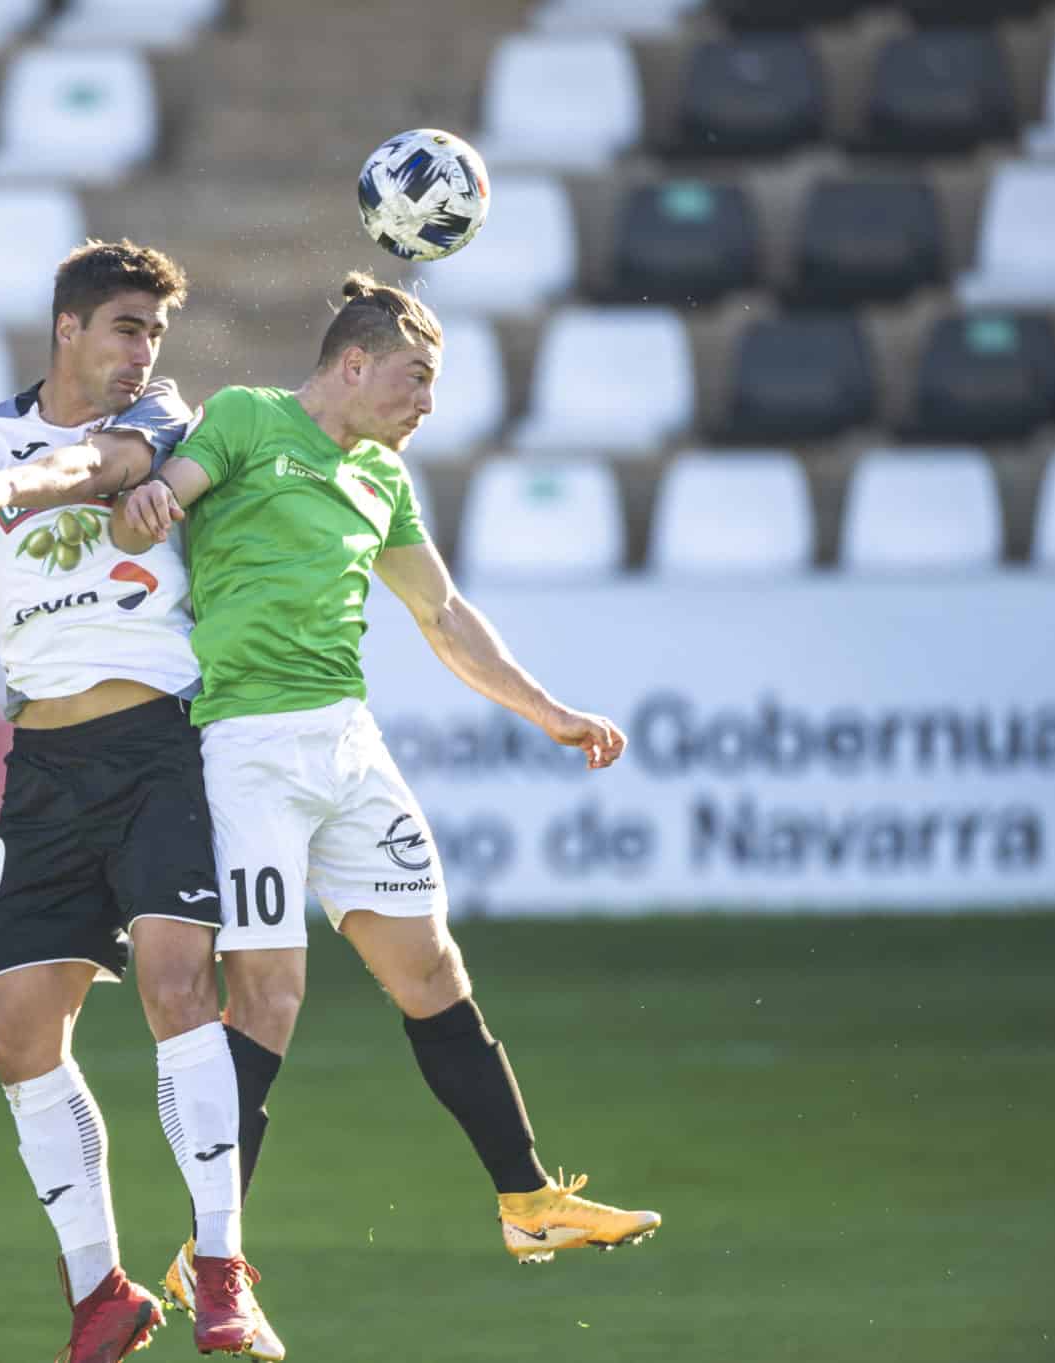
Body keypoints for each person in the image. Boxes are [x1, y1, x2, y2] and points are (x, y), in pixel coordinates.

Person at [106, 272, 665, 1268]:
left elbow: (442, 613)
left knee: (432, 970)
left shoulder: (383, 479)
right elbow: (167, 493)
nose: (428, 402)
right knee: (268, 1000)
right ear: (354, 363)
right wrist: (150, 499)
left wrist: (549, 711)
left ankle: (528, 1200)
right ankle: (211, 1253)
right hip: (248, 751)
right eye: (417, 376)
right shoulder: (247, 419)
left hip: (348, 747)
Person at [0, 239, 278, 1362]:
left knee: (177, 986)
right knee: (17, 1031)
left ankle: (223, 1269)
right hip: (44, 767)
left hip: (161, 744)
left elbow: (100, 465)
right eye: (126, 327)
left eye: (154, 332)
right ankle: (99, 1292)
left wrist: (15, 486)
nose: (143, 351)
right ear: (67, 327)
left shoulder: (166, 421)